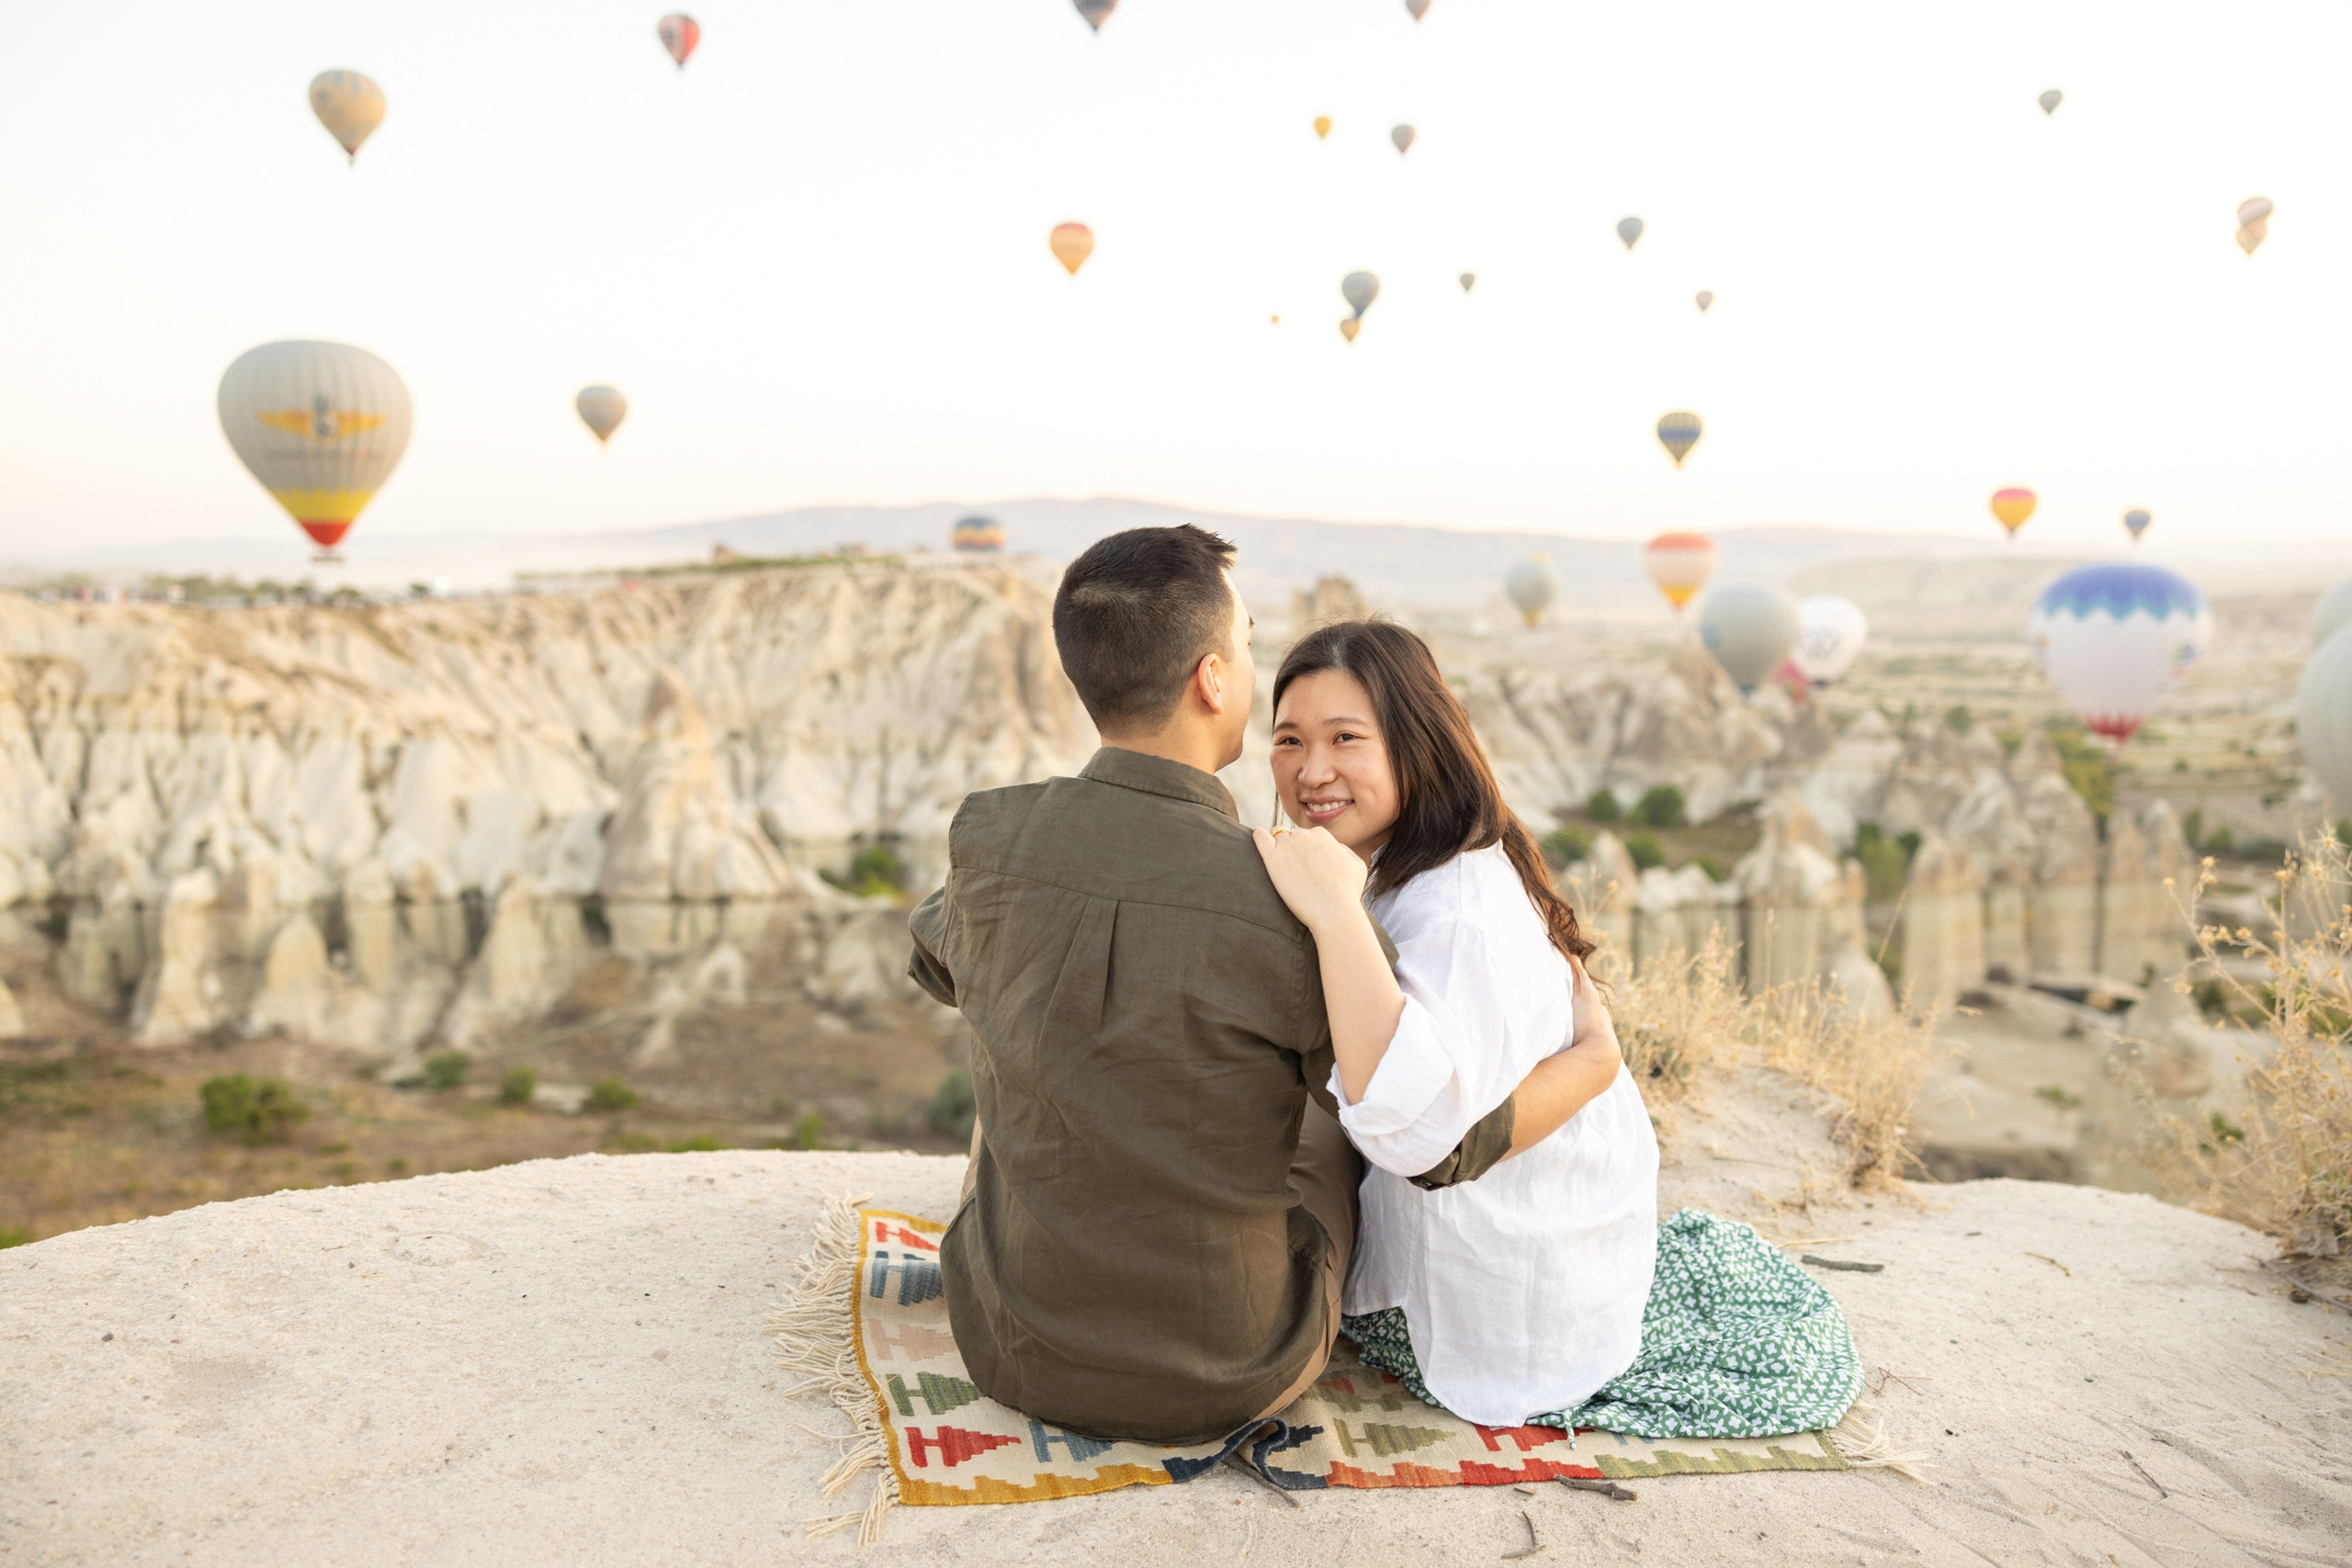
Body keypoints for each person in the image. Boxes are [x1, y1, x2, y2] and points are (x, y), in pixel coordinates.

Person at [907, 525, 1607, 1445]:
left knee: (1033, 1034)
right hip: (1224, 1368)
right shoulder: (1281, 899)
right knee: (1334, 1117)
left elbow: (935, 961)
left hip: (1005, 1340)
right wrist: (1594, 1056)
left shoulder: (987, 836)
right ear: (1211, 679)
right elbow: (1442, 1147)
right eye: (1243, 641)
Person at [1253, 618, 1657, 1428]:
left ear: (1415, 743)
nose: (1312, 769)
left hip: (1500, 1299)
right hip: (1501, 1244)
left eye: (1346, 738)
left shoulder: (1454, 910)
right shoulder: (1401, 862)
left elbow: (1421, 1144)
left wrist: (1333, 916)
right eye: (1290, 739)